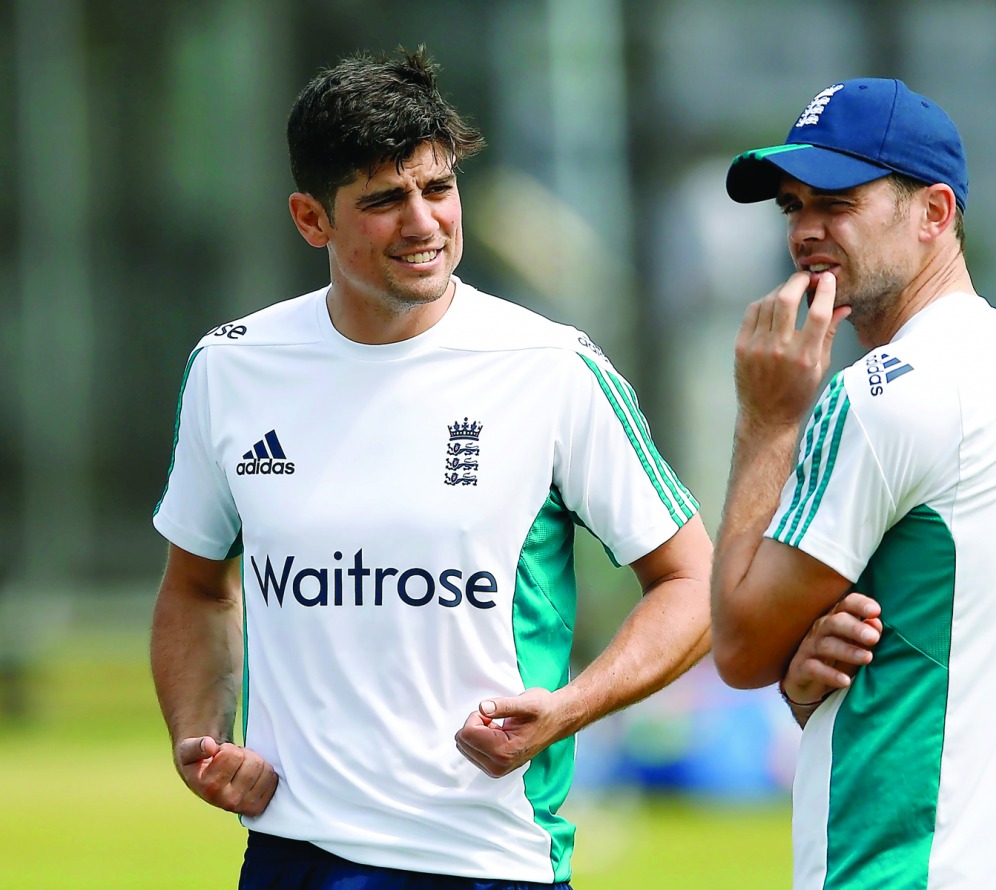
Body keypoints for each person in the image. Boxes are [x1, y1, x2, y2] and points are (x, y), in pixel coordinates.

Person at [148, 46, 716, 890]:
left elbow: (691, 583)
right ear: (312, 220)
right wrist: (204, 740)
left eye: (438, 188)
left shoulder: (551, 366)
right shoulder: (232, 367)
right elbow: (196, 586)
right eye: (383, 200)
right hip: (291, 856)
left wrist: (565, 713)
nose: (423, 222)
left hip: (489, 862)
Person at [709, 78, 996, 889]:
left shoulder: (885, 394)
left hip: (895, 870)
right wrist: (805, 683)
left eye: (838, 201)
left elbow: (741, 644)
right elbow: (940, 643)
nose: (806, 231)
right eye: (791, 205)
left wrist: (768, 420)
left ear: (935, 214)